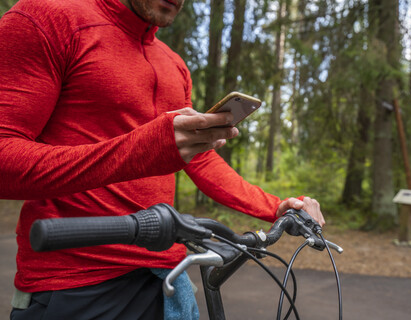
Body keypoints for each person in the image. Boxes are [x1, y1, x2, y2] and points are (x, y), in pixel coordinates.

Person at [0, 0, 325, 319]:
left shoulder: (173, 64)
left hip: (166, 275)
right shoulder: (47, 17)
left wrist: (274, 207)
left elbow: (196, 158)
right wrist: (143, 149)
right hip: (75, 282)